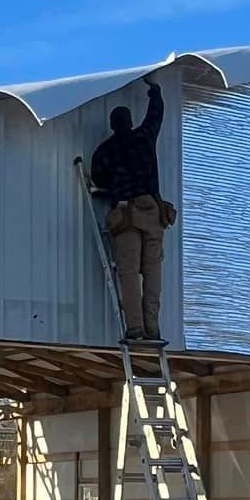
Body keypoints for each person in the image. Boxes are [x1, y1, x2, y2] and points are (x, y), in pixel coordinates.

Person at [89, 76, 174, 342]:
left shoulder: (106, 150)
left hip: (125, 215)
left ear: (113, 126)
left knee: (128, 274)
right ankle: (152, 328)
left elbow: (99, 180)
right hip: (152, 211)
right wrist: (155, 90)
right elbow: (156, 115)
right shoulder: (144, 137)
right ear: (130, 122)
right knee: (152, 274)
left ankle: (135, 329)